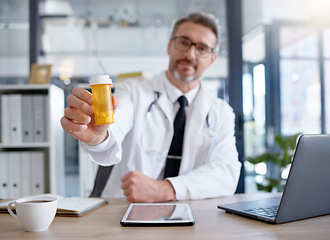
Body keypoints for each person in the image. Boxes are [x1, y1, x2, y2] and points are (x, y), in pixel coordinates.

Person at [61, 11, 241, 203]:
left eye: (202, 48)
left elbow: (227, 173)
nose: (190, 54)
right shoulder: (133, 91)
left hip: (187, 215)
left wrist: (165, 189)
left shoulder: (221, 112)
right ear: (169, 46)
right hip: (121, 210)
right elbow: (116, 123)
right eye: (183, 42)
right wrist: (99, 137)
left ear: (212, 58)